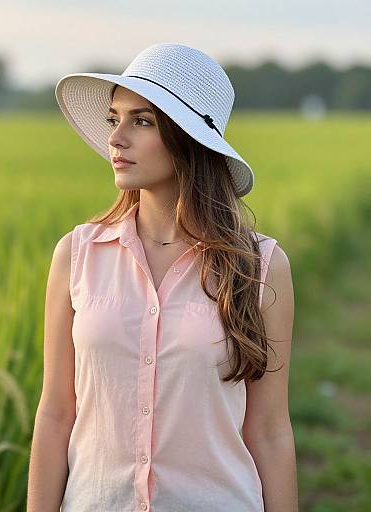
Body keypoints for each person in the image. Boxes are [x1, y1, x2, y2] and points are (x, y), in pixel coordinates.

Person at [27, 43, 297, 512]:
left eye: (143, 121)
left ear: (189, 139)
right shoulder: (77, 255)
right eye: (115, 119)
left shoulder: (260, 266)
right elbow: (55, 414)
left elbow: (269, 431)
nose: (117, 137)